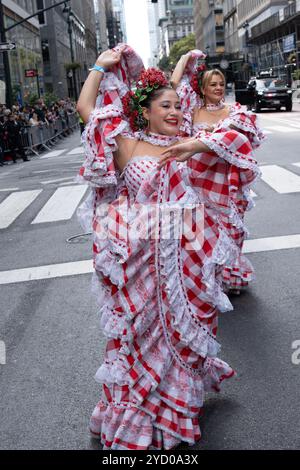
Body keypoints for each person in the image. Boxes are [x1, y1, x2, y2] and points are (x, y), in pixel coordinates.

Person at [76, 44, 258, 450]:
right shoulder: (125, 145)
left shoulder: (190, 140)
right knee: (139, 342)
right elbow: (87, 109)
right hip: (140, 266)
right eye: (166, 106)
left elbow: (242, 132)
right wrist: (97, 67)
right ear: (146, 112)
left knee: (182, 338)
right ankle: (138, 417)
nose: (176, 112)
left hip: (186, 265)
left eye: (179, 106)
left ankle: (176, 411)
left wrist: (196, 146)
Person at [171, 51, 264, 294]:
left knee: (231, 230)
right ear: (202, 88)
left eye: (222, 84)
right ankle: (207, 278)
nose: (218, 88)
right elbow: (174, 85)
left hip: (227, 182)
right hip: (199, 182)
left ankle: (230, 277)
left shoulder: (234, 111)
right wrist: (185, 59)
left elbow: (243, 137)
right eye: (213, 84)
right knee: (205, 233)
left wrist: (218, 129)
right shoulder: (191, 110)